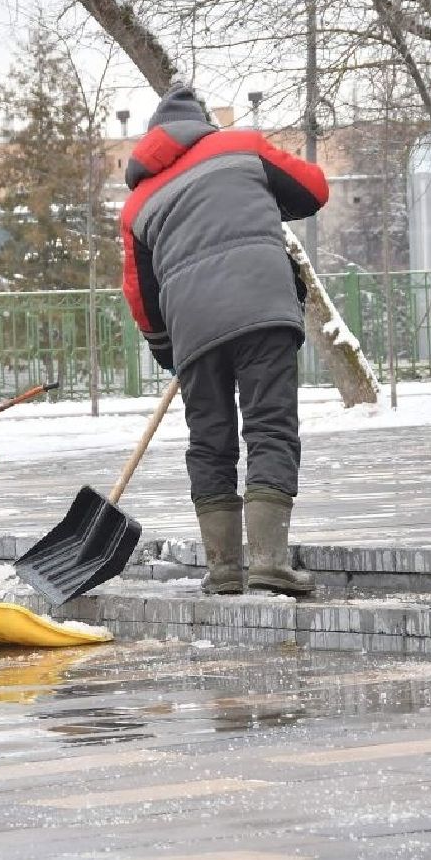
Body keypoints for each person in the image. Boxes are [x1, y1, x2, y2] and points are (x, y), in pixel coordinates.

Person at [119, 86, 329, 598]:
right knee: (269, 426)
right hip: (262, 307)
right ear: (203, 124)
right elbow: (314, 189)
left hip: (191, 328)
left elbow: (140, 296)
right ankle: (269, 563)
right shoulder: (243, 146)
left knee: (209, 442)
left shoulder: (137, 205)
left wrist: (168, 350)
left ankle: (224, 569)